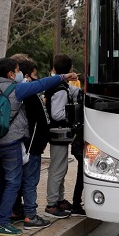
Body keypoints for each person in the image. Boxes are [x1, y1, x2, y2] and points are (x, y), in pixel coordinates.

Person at [0, 57, 76, 236]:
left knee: (0, 181)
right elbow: (42, 84)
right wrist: (63, 77)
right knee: (15, 182)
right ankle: (9, 220)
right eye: (17, 71)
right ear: (11, 74)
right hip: (14, 143)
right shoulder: (18, 90)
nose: (20, 74)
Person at [10, 55, 52, 229]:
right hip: (31, 146)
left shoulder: (18, 93)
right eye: (34, 75)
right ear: (27, 76)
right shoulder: (29, 95)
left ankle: (15, 210)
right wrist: (38, 143)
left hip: (25, 145)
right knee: (30, 181)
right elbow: (38, 122)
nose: (37, 78)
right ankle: (30, 215)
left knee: (18, 180)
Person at [44, 54, 83, 218]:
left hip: (59, 133)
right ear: (70, 69)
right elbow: (57, 114)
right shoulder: (60, 90)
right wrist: (72, 113)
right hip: (58, 132)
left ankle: (59, 199)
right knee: (58, 168)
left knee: (61, 167)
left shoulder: (60, 85)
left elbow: (75, 91)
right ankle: (52, 203)